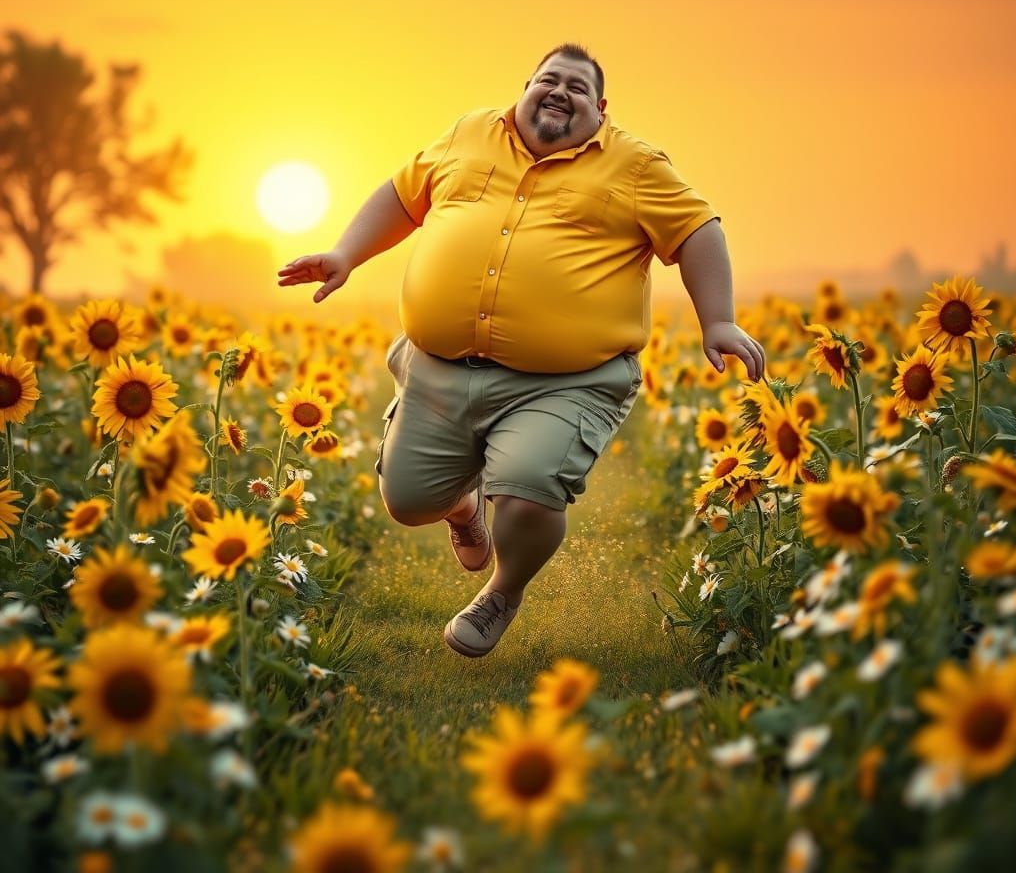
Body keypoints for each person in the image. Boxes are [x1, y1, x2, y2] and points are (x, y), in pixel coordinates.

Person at [277, 43, 766, 659]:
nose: (560, 91)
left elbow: (698, 229)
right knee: (406, 501)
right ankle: (461, 508)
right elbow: (404, 196)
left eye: (578, 87)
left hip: (564, 382)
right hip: (440, 369)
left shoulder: (635, 165)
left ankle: (501, 593)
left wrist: (717, 320)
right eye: (549, 80)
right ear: (526, 87)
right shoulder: (470, 133)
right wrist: (346, 253)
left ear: (601, 108)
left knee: (527, 488)